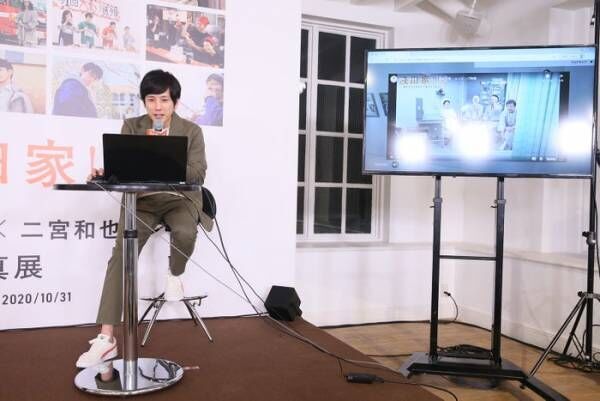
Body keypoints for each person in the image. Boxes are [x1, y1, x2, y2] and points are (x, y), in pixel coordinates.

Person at [76, 69, 209, 369]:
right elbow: (123, 168)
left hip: (179, 200)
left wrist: (163, 155)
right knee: (121, 257)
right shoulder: (132, 126)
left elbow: (198, 174)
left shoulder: (191, 131)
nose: (157, 107)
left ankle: (175, 273)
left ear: (175, 102)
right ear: (144, 101)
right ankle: (106, 338)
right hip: (142, 203)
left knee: (185, 232)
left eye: (164, 100)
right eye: (151, 100)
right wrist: (105, 173)